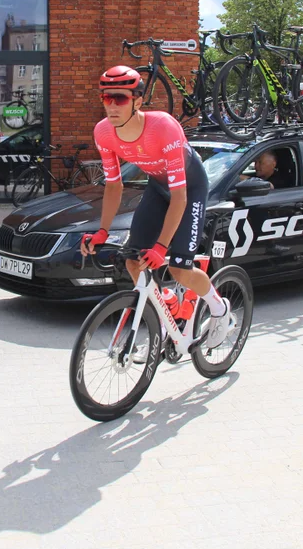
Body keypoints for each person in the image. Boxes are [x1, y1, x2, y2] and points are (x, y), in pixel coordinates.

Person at [80, 65, 235, 350]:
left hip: (189, 188)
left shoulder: (162, 127)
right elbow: (114, 186)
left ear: (138, 101)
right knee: (132, 261)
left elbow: (180, 196)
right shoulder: (103, 133)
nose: (112, 106)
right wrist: (102, 231)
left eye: (120, 98)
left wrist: (162, 247)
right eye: (106, 98)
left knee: (179, 269)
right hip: (157, 186)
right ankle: (167, 312)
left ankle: (219, 309)